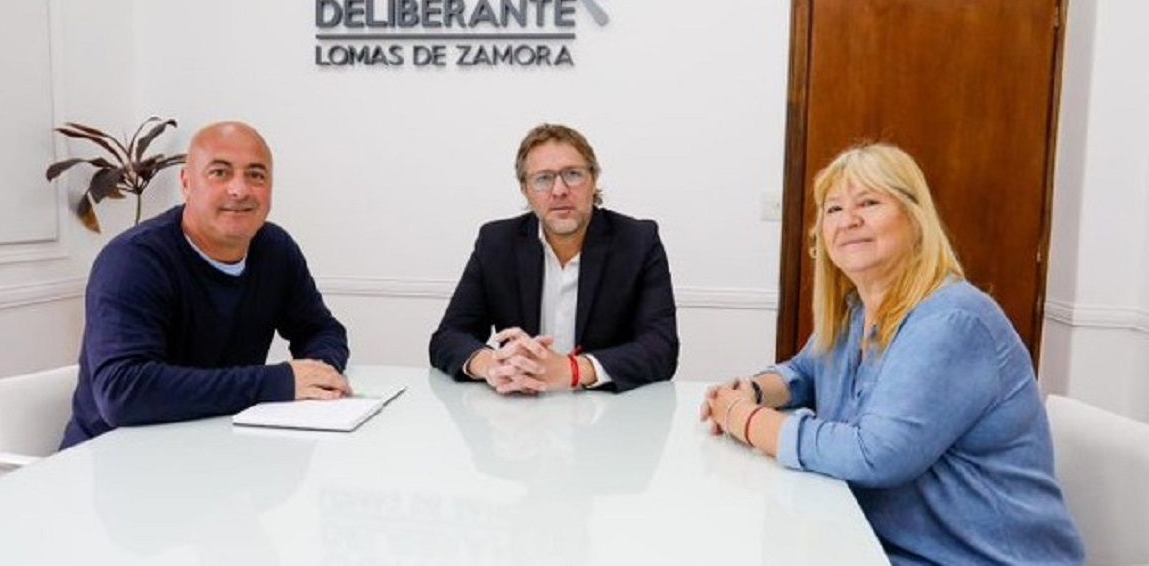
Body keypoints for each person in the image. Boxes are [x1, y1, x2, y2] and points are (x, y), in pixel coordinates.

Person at [700, 143, 1084, 565]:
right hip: (883, 547)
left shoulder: (952, 320)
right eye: (833, 209)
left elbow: (874, 455)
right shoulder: (856, 313)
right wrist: (753, 390)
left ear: (916, 219)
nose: (849, 220)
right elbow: (806, 371)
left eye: (869, 202)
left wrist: (745, 419)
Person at [61, 121, 350, 448]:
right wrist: (281, 382)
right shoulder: (133, 261)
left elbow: (321, 330)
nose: (239, 190)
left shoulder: (274, 249)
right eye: (219, 173)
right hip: (113, 458)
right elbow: (123, 391)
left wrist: (319, 375)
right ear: (186, 184)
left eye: (256, 175)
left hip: (215, 447)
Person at [429, 123, 678, 394]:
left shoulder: (638, 241)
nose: (559, 190)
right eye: (543, 179)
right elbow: (448, 337)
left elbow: (661, 348)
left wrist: (574, 370)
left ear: (593, 180)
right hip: (519, 408)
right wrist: (492, 364)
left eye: (573, 174)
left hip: (607, 409)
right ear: (525, 188)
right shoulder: (496, 242)